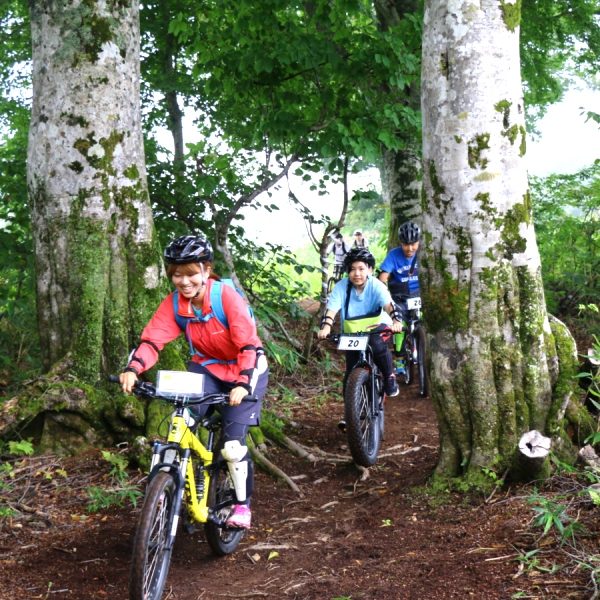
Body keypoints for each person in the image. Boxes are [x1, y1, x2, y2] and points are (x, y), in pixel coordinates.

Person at [119, 235, 268, 529]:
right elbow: (152, 340)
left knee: (232, 446)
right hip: (206, 370)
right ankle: (167, 492)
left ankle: (241, 506)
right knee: (180, 425)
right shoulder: (175, 304)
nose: (183, 281)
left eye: (190, 273)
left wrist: (243, 385)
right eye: (176, 274)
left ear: (206, 270)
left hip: (245, 370)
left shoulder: (225, 297)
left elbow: (249, 346)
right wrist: (133, 368)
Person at [318, 247, 403, 401]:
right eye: (352, 269)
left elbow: (389, 305)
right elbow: (331, 310)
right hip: (353, 331)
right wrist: (326, 327)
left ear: (370, 270)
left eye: (361, 269)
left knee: (375, 344)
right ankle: (350, 413)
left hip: (377, 325)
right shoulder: (342, 287)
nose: (356, 273)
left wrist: (396, 321)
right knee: (351, 373)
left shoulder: (377, 285)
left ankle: (388, 376)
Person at [378, 221, 420, 377]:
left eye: (413, 244)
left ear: (419, 242)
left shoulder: (424, 253)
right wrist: (382, 290)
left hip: (419, 295)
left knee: (423, 321)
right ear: (400, 243)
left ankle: (423, 350)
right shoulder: (393, 255)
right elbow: (383, 276)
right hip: (399, 296)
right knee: (399, 324)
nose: (410, 248)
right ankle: (400, 359)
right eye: (406, 244)